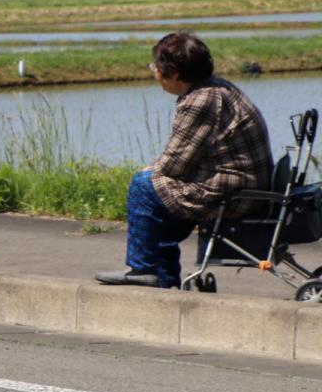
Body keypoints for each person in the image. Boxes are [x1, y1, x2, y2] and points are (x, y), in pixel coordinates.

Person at [95, 32, 271, 289]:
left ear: (174, 73)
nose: (154, 72)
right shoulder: (217, 87)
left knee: (143, 185)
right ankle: (162, 281)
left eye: (155, 67)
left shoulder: (199, 101)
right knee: (156, 193)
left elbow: (174, 164)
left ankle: (142, 268)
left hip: (234, 194)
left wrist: (148, 171)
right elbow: (183, 159)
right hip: (244, 185)